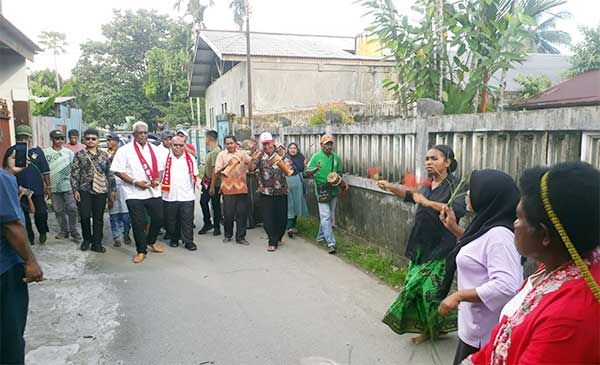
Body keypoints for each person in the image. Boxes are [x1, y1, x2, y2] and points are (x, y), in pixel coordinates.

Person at [464, 162, 600, 365]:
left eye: (519, 217)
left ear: (544, 234)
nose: (514, 224)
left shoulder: (566, 321)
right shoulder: (559, 266)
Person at [377, 144, 466, 344]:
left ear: (448, 162)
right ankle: (436, 326)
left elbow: (456, 210)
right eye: (427, 158)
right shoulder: (427, 184)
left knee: (428, 293)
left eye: (434, 158)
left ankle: (431, 330)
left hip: (442, 248)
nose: (428, 162)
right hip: (420, 245)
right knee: (415, 290)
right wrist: (391, 187)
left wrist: (426, 203)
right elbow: (412, 196)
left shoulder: (456, 186)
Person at [436, 170, 523, 364]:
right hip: (474, 326)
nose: (467, 194)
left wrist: (459, 296)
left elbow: (507, 286)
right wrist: (454, 229)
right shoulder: (488, 226)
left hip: (484, 333)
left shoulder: (500, 236)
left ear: (487, 196)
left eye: (472, 190)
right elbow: (479, 250)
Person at [0, 148, 44, 364]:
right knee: (9, 338)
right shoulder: (2, 180)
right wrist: (31, 261)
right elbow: (12, 227)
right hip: (4, 269)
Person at [111, 121, 167, 263]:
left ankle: (151, 240)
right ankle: (141, 251)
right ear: (133, 134)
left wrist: (158, 179)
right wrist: (135, 182)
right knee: (138, 222)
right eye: (140, 133)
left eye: (145, 132)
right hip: (133, 192)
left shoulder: (155, 149)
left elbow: (161, 169)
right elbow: (117, 170)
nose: (143, 135)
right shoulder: (125, 150)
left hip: (153, 191)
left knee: (159, 218)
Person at [2, 125, 51, 245]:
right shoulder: (11, 151)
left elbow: (45, 170)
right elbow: (6, 170)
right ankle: (29, 237)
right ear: (16, 137)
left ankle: (43, 231)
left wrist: (48, 186)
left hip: (37, 188)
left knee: (41, 213)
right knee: (23, 215)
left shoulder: (37, 151)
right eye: (20, 137)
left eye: (25, 137)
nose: (23, 140)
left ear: (30, 137)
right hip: (19, 188)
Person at [71, 128, 116, 252]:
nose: (90, 141)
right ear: (84, 140)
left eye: (93, 139)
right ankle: (87, 239)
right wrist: (75, 190)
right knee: (85, 216)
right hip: (84, 190)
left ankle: (97, 243)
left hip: (100, 191)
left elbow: (110, 173)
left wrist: (112, 189)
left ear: (97, 140)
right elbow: (75, 174)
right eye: (88, 139)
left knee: (98, 218)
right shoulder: (79, 155)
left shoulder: (104, 155)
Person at [250, 132, 290, 252]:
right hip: (266, 192)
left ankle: (278, 236)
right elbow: (251, 169)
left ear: (273, 142)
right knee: (268, 217)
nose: (267, 146)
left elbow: (290, 169)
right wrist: (254, 157)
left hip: (281, 191)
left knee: (282, 218)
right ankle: (272, 241)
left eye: (269, 143)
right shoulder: (260, 156)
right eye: (264, 144)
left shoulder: (281, 155)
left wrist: (282, 163)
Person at [305, 134, 344, 254]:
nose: (329, 146)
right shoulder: (316, 157)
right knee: (326, 216)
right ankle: (331, 243)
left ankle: (320, 237)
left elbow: (340, 172)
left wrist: (336, 178)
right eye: (326, 144)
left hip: (333, 190)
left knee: (328, 216)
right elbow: (307, 173)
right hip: (321, 190)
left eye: (330, 143)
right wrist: (316, 169)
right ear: (321, 145)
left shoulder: (336, 158)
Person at [162, 136, 199, 251]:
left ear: (184, 146)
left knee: (187, 219)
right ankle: (174, 238)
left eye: (181, 145)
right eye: (175, 145)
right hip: (169, 195)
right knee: (171, 220)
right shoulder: (164, 158)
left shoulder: (190, 159)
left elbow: (195, 176)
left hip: (186, 195)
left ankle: (188, 241)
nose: (178, 148)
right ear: (170, 145)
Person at [43, 129, 81, 242]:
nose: (59, 140)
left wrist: (76, 185)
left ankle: (74, 231)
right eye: (56, 138)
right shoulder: (45, 153)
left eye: (61, 138)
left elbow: (75, 170)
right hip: (53, 186)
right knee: (58, 210)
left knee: (72, 208)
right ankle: (64, 230)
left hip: (68, 186)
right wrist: (46, 186)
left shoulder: (69, 153)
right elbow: (43, 170)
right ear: (51, 139)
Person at [214, 135, 251, 245]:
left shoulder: (242, 154)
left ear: (235, 143)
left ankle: (240, 237)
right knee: (228, 214)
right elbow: (216, 170)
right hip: (228, 188)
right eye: (227, 143)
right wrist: (226, 164)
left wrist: (250, 160)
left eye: (231, 143)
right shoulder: (221, 155)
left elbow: (251, 167)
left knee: (242, 214)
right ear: (225, 144)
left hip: (242, 188)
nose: (230, 145)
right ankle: (228, 234)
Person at [106, 134, 131, 247]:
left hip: (125, 187)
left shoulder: (124, 153)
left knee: (126, 215)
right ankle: (116, 237)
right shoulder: (105, 154)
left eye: (110, 140)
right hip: (111, 187)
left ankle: (126, 234)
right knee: (114, 214)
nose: (108, 142)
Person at [198, 129, 222, 236]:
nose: (205, 140)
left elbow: (215, 170)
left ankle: (216, 226)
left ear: (210, 138)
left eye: (205, 138)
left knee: (215, 205)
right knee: (203, 202)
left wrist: (212, 186)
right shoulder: (210, 151)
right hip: (206, 182)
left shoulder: (216, 151)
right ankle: (207, 223)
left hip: (214, 184)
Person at [285, 142, 309, 238]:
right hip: (288, 183)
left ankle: (293, 226)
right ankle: (289, 227)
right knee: (290, 205)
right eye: (291, 148)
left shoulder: (301, 158)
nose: (293, 150)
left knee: (297, 204)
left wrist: (306, 166)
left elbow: (304, 173)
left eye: (295, 148)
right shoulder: (285, 159)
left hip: (298, 184)